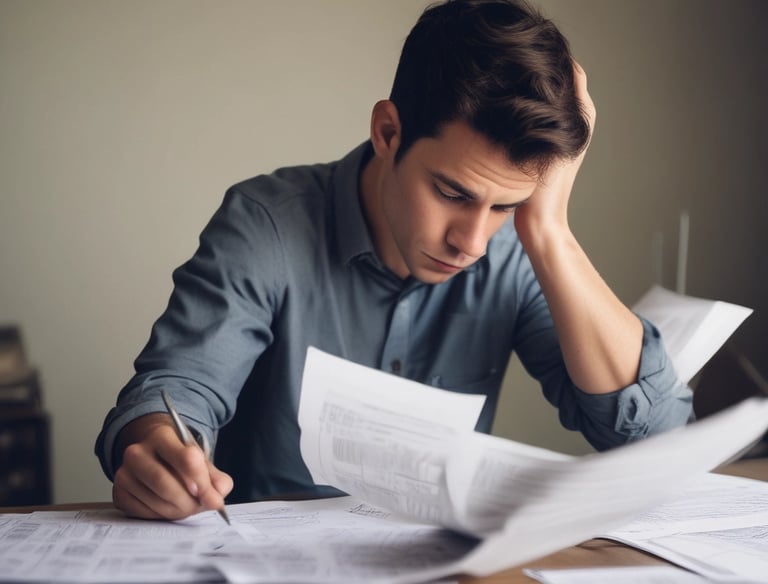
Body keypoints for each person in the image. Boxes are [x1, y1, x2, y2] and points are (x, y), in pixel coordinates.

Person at [95, 0, 693, 521]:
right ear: (388, 132)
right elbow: (177, 390)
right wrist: (158, 449)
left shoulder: (518, 253)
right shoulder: (266, 223)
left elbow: (660, 441)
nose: (472, 242)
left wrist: (549, 230)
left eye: (506, 206)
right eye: (452, 193)